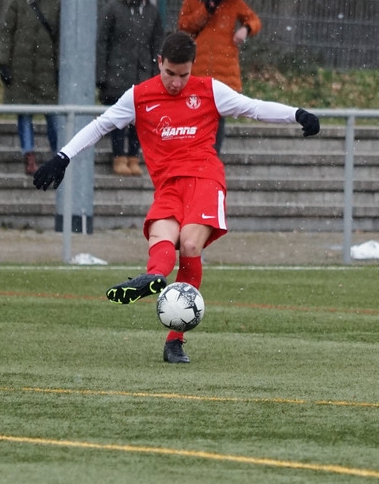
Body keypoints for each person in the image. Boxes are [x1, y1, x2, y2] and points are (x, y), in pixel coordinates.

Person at [32, 32, 319, 364]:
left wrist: (297, 114)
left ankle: (175, 341)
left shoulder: (210, 90)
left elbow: (253, 108)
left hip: (204, 178)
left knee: (190, 245)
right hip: (168, 185)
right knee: (162, 236)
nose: (176, 82)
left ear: (192, 66)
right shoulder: (139, 96)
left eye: (183, 75)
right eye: (170, 73)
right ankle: (154, 278)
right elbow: (100, 125)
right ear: (159, 63)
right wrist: (63, 157)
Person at [177, 0, 261, 153]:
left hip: (224, 67)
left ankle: (212, 156)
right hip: (198, 65)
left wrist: (245, 29)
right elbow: (184, 25)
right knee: (196, 113)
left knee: (218, 114)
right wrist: (206, 10)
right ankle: (197, 153)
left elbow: (253, 19)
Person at [97, 0, 163, 176]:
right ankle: (118, 157)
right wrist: (101, 76)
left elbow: (157, 44)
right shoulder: (113, 9)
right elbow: (102, 42)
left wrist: (156, 73)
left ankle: (134, 157)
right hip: (117, 75)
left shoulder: (151, 13)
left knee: (140, 121)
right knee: (119, 119)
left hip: (143, 76)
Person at [0, 0, 61, 175]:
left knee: (53, 115)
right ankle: (29, 156)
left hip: (47, 70)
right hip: (21, 69)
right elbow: (7, 33)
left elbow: (60, 39)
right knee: (24, 114)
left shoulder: (56, 4)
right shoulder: (17, 3)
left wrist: (59, 68)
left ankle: (58, 155)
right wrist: (3, 63)